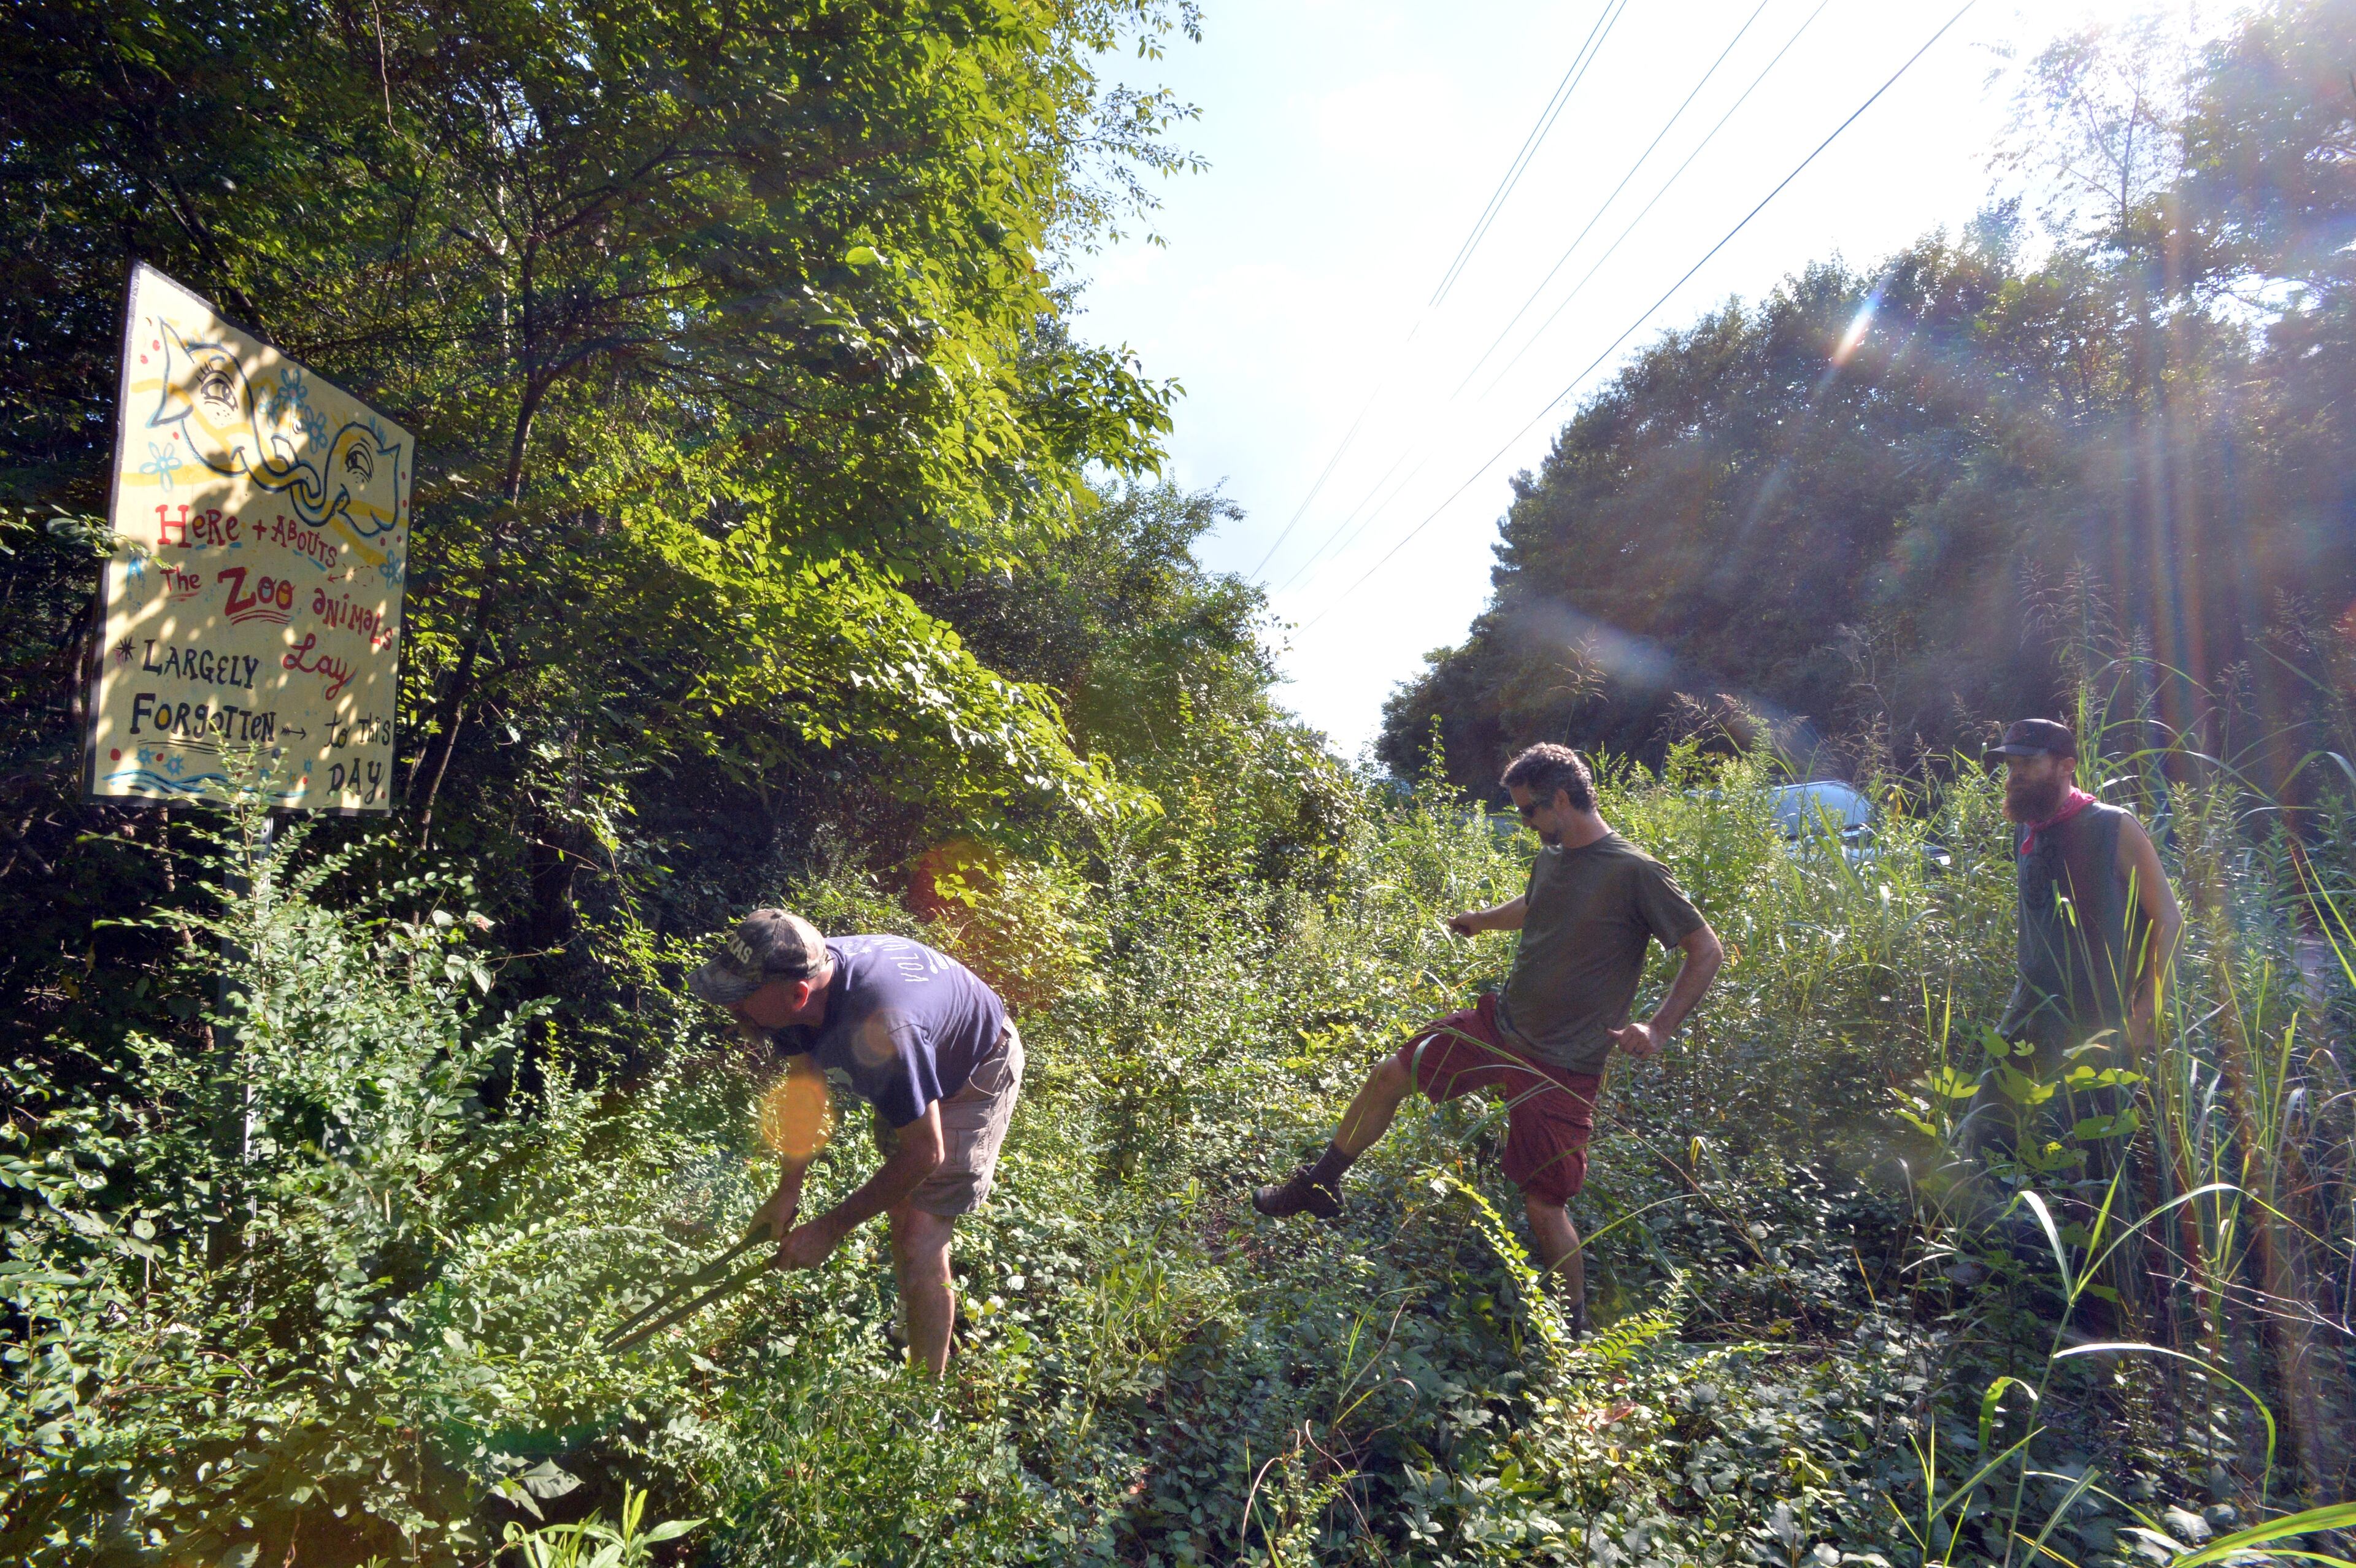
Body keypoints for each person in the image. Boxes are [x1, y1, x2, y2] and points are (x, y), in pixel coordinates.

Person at [1251, 743, 1723, 1334]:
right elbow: (1534, 905)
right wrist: (1481, 919)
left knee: (1545, 1204)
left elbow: (1706, 949)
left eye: (1528, 812)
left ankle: (1576, 1337)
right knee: (1390, 1074)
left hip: (1563, 1064)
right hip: (1500, 1029)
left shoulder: (1635, 872)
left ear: (1560, 800)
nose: (1526, 825)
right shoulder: (1553, 856)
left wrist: (1657, 1026)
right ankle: (1319, 1185)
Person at [688, 910, 1025, 1377]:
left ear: (798, 994)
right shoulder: (794, 981)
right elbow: (805, 1089)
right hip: (920, 1054)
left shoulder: (884, 1026)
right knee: (901, 1205)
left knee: (920, 1235)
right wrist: (788, 1191)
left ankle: (924, 1400)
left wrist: (829, 1229)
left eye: (742, 999)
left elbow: (925, 1154)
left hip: (974, 1068)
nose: (733, 1010)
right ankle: (916, 1323)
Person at [1968, 718, 2182, 1153]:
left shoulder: (2113, 827)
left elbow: (2170, 920)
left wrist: (2143, 1017)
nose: (2014, 776)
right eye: (2010, 765)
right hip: (2029, 1012)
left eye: (2028, 764)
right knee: (1987, 1133)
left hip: (2100, 1021)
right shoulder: (2026, 827)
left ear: (2066, 766)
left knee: (2095, 1154)